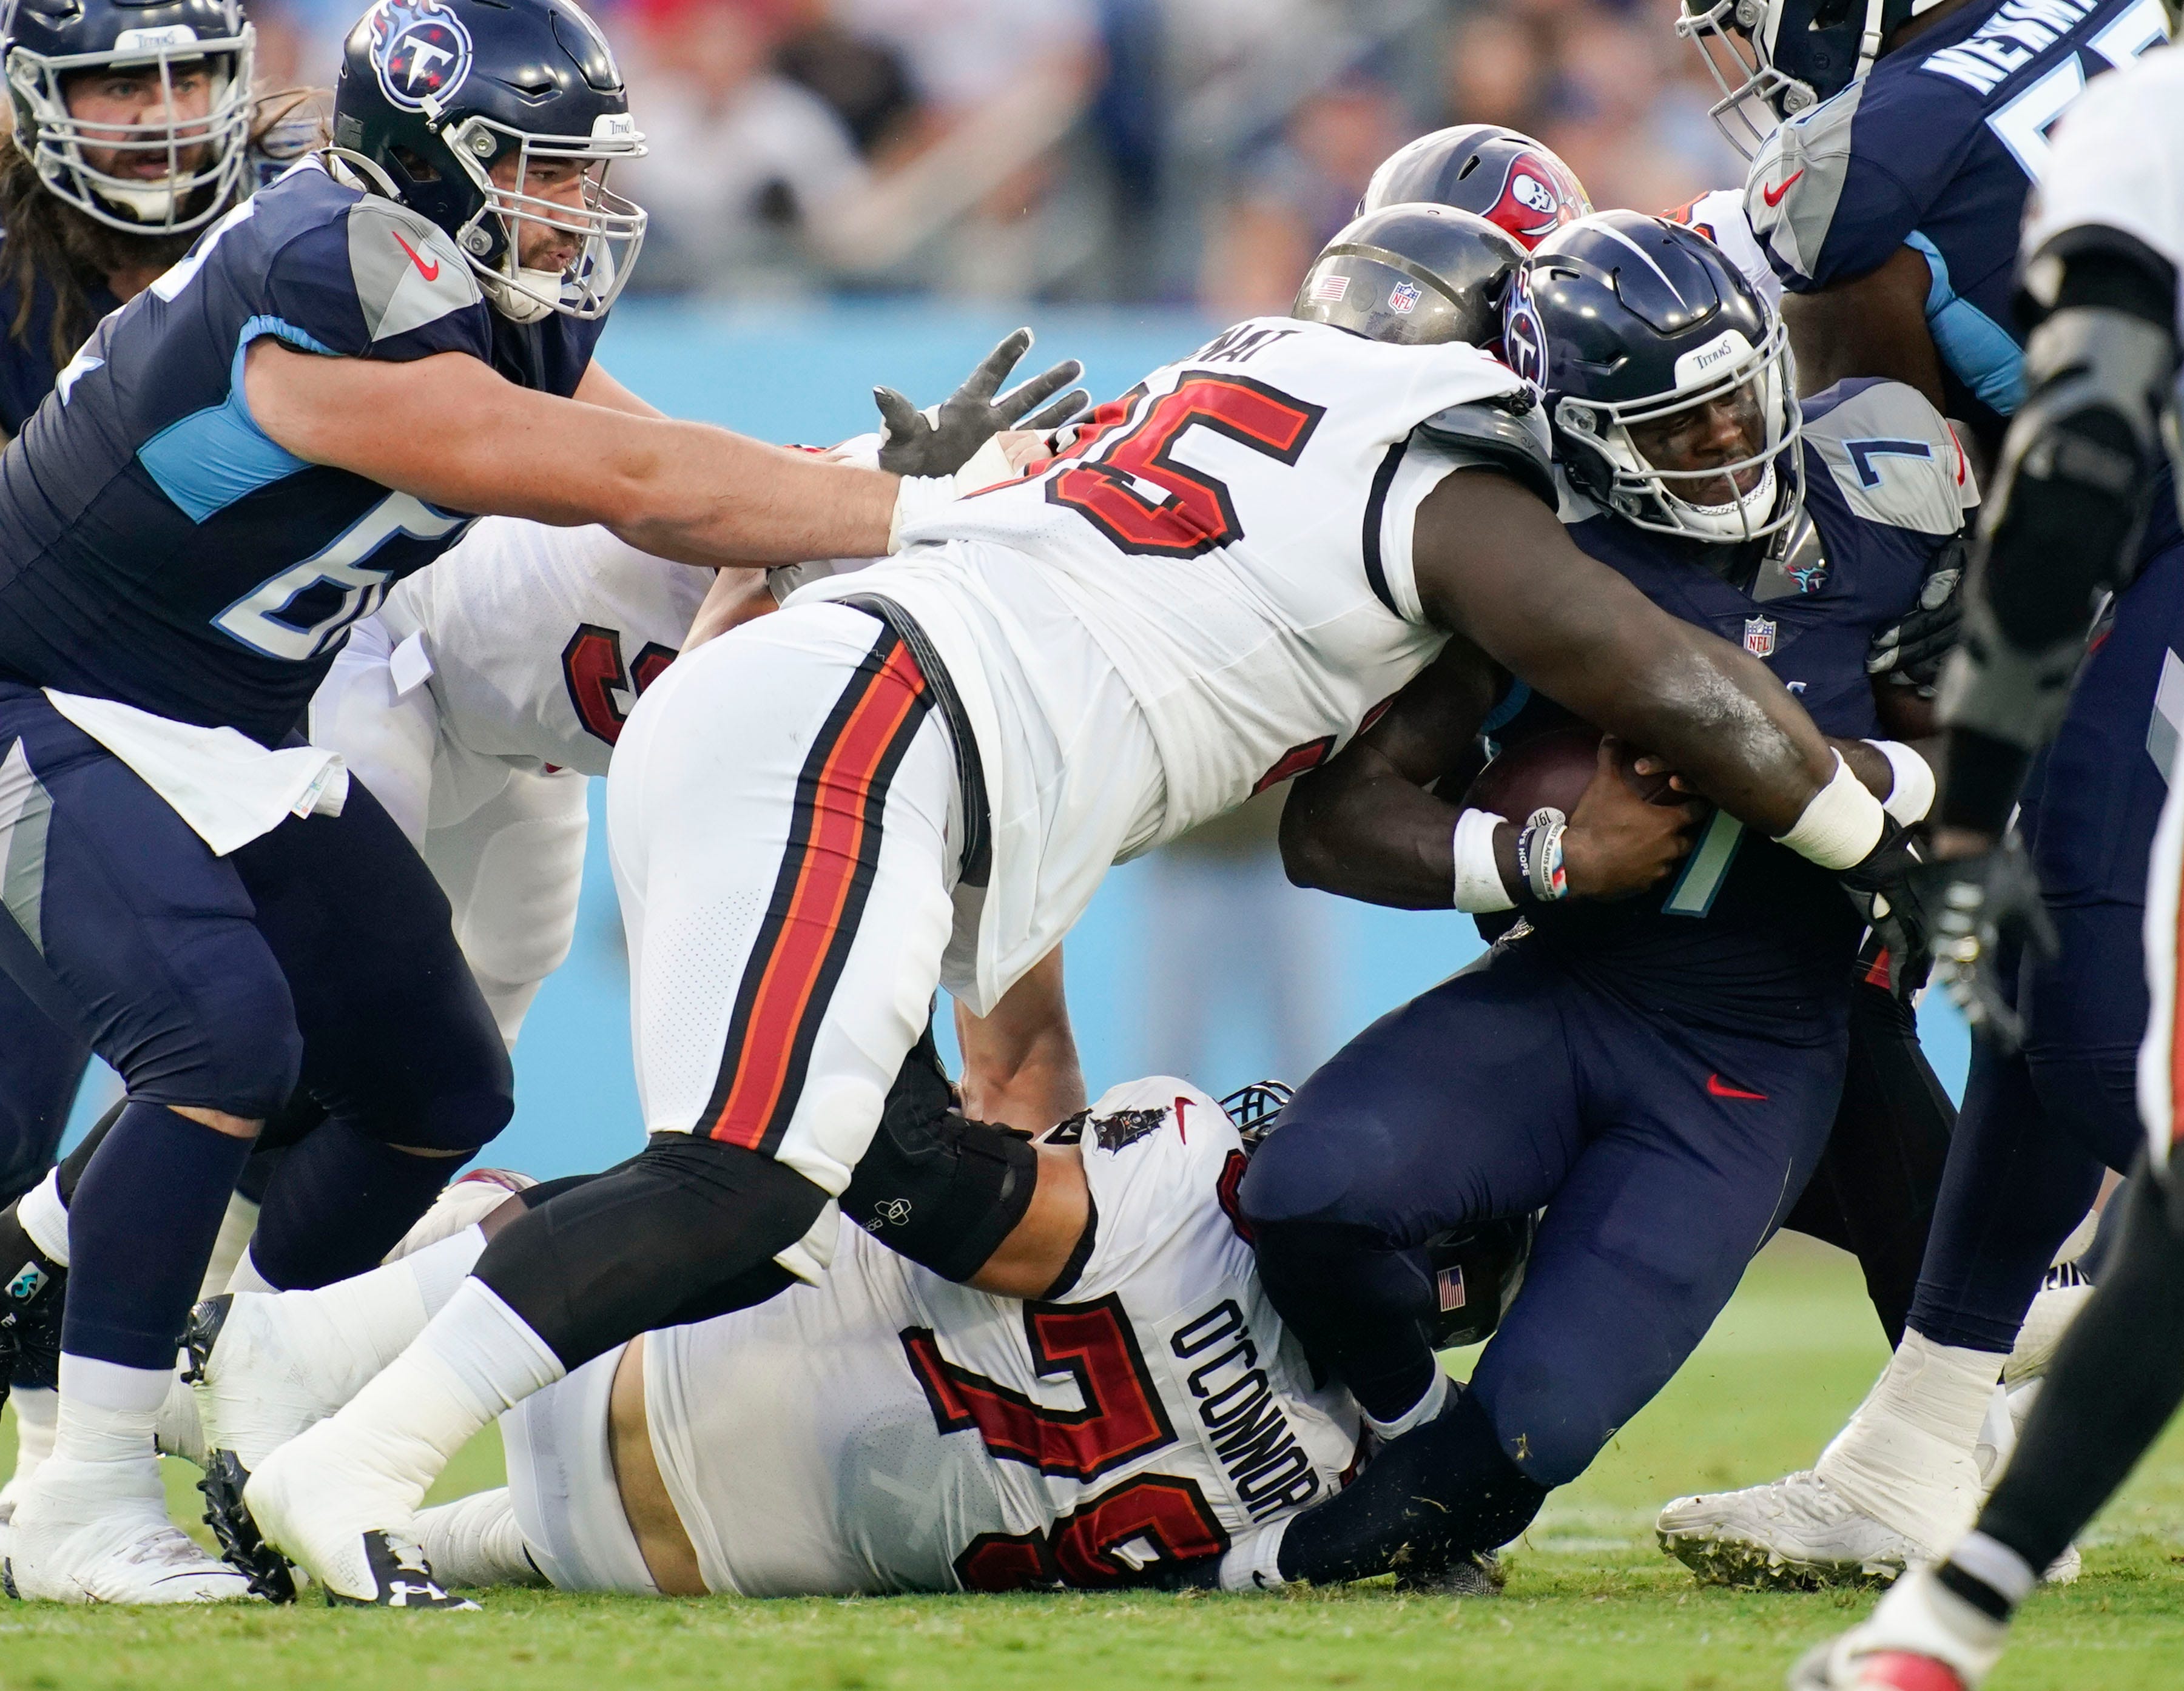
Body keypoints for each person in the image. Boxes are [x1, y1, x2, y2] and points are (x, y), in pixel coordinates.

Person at [228, 202, 1911, 1610]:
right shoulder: (1443, 475)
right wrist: (1877, 830)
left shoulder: (1237, 382)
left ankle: (301, 1364)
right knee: (744, 1175)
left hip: (839, 711)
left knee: (823, 1181)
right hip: (882, 732)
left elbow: (1266, 830)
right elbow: (1658, 677)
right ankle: (350, 1461)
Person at [0, 0, 1080, 1603]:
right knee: (218, 1039)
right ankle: (75, 1489)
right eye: (537, 168)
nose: (574, 207)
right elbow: (607, 481)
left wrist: (826, 500)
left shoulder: (462, 280)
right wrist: (905, 504)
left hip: (222, 719)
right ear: (434, 152)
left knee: (437, 1078)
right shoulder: (325, 273)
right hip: (49, 693)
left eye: (581, 171)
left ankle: (216, 1344)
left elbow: (640, 457)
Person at [1223, 210, 1965, 1594]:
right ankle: (1400, 1441)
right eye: (1677, 432)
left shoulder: (1878, 491)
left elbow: (1987, 753)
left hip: (1754, 1059)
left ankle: (1345, 1534)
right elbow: (1333, 821)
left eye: (1739, 405)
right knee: (1308, 1195)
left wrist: (1834, 777)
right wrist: (1544, 853)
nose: (1729, 448)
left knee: (1542, 1424)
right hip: (1575, 990)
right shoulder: (1533, 554)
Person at [1653, 0, 2184, 1587]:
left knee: (2092, 981)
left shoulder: (1872, 161)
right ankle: (1906, 1452)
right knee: (2037, 975)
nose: (1744, 56)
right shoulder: (2098, 21)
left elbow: (1896, 473)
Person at [1366, 125, 1966, 1355]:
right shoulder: (1448, 460)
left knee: (1825, 1004)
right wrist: (1531, 848)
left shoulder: (1684, 344)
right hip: (1616, 816)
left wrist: (1885, 789)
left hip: (1788, 759)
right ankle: (1983, 1309)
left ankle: (1979, 1315)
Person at [1790, 43, 2184, 1690]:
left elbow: (2082, 459)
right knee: (2061, 1004)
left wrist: (1964, 817)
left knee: (2111, 1022)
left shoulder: (2128, 114)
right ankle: (1927, 1497)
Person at [184, 1069, 1366, 1599]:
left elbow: (1000, 1095)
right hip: (658, 1568)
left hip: (620, 1362)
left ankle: (225, 1369)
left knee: (733, 1186)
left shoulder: (1185, 1162)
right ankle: (170, 1452)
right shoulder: (1325, 1478)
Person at [0, 0, 325, 1211]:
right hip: (49, 707)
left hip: (284, 698)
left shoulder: (317, 226)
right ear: (41, 98)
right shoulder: (14, 270)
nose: (161, 115)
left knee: (357, 1058)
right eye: (120, 89)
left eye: (187, 77)